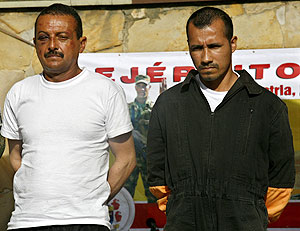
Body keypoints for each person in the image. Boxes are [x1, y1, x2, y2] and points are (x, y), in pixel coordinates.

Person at [147, 7, 295, 231]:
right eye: (197, 48)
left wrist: (249, 214)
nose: (206, 57)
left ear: (232, 43)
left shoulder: (268, 107)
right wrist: (183, 208)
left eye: (214, 46)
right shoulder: (169, 104)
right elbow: (157, 176)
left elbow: (281, 180)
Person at [1, 3, 136, 231]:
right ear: (35, 44)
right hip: (27, 222)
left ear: (80, 44)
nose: (52, 45)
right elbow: (15, 157)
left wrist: (93, 201)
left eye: (62, 37)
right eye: (43, 38)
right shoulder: (19, 92)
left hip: (86, 222)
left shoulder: (105, 91)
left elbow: (127, 159)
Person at [124, 75, 156, 203]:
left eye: (144, 86)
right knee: (126, 191)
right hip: (131, 156)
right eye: (139, 86)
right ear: (135, 87)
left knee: (153, 191)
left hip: (149, 156)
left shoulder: (156, 108)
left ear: (149, 87)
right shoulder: (127, 108)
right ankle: (125, 221)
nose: (142, 89)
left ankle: (155, 221)